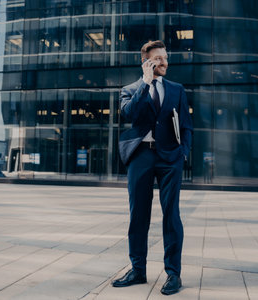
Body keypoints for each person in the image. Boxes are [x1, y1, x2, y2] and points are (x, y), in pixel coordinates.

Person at [113, 40, 193, 295]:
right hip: (141, 157)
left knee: (172, 215)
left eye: (165, 58)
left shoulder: (177, 89)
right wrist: (145, 84)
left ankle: (173, 274)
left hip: (170, 157)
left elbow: (187, 125)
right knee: (138, 216)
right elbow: (129, 114)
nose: (164, 62)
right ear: (146, 62)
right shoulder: (130, 89)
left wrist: (183, 153)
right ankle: (138, 270)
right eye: (158, 58)